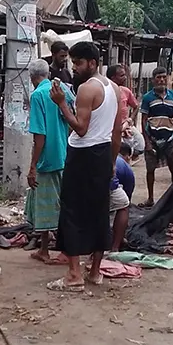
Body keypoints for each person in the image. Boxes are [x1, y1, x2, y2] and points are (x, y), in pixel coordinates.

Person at [47, 41, 121, 292]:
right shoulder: (114, 88)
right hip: (101, 154)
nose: (74, 68)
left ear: (92, 63)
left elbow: (80, 128)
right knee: (99, 209)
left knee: (72, 211)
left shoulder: (87, 89)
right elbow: (117, 130)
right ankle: (95, 271)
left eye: (77, 63)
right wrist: (112, 162)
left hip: (82, 154)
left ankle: (74, 274)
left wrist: (60, 103)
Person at [25, 58, 69, 264]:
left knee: (45, 204)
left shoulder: (38, 95)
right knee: (64, 202)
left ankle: (47, 249)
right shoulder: (64, 90)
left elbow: (39, 136)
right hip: (67, 153)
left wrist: (32, 165)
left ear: (32, 77)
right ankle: (51, 248)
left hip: (48, 158)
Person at [139, 67, 173, 207]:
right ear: (153, 80)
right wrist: (147, 142)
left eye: (163, 77)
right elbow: (144, 120)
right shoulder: (147, 98)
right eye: (158, 77)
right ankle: (150, 198)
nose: (161, 80)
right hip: (153, 138)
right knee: (150, 170)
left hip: (169, 138)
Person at [107, 64, 143, 159]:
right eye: (122, 75)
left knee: (140, 145)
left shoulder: (125, 91)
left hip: (125, 125)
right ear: (113, 78)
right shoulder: (105, 92)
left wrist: (130, 119)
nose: (125, 78)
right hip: (111, 128)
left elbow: (136, 106)